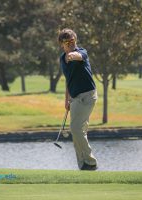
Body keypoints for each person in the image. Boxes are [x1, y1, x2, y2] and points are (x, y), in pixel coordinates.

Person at [58, 28, 98, 170]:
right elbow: (68, 79)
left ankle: (91, 161)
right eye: (66, 42)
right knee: (78, 132)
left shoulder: (82, 52)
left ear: (75, 40)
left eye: (72, 41)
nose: (70, 44)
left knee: (75, 129)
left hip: (88, 96)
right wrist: (66, 99)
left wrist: (72, 54)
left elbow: (78, 56)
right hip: (74, 97)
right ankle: (83, 165)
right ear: (61, 44)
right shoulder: (62, 59)